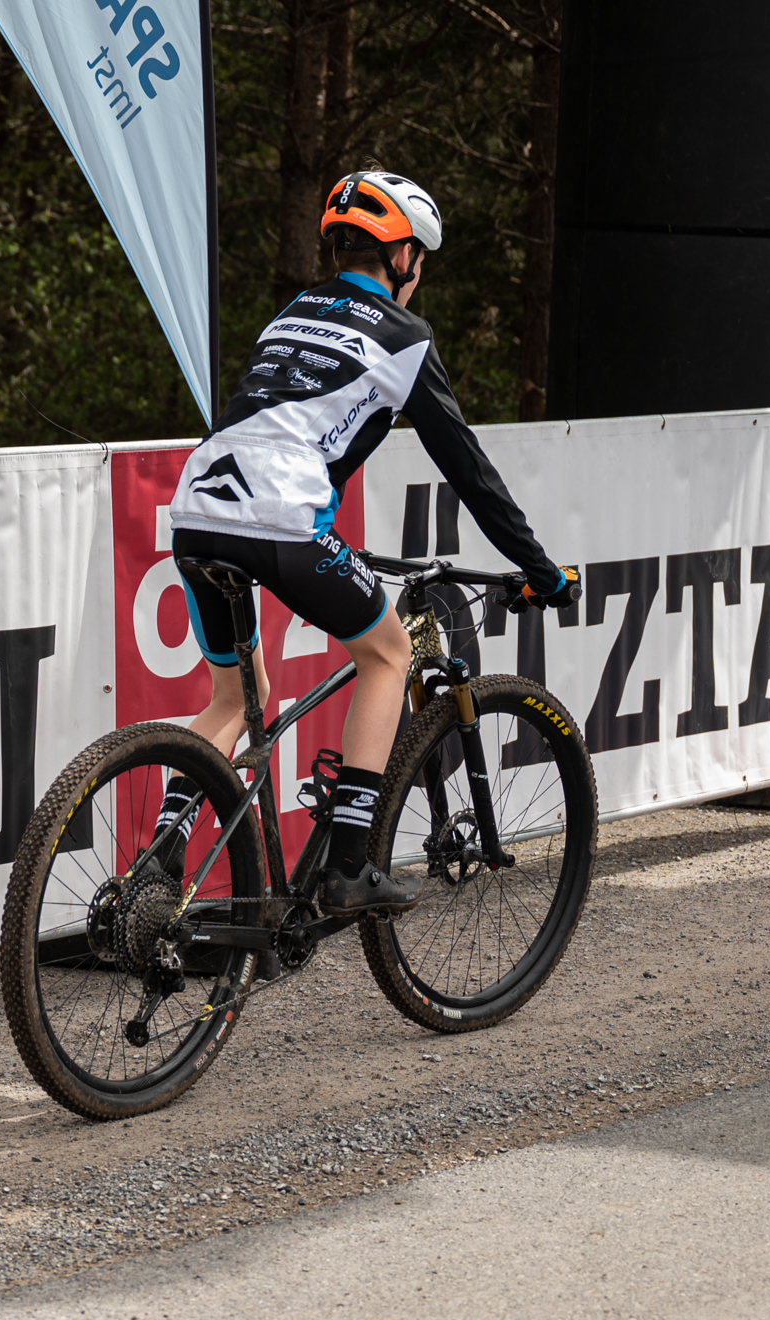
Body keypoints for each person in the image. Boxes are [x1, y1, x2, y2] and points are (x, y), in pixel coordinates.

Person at [162, 168, 579, 915]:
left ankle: (158, 869)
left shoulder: (292, 313)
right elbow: (471, 473)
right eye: (421, 259)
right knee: (388, 653)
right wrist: (540, 570)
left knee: (236, 695)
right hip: (283, 519)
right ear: (403, 256)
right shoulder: (405, 337)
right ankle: (349, 865)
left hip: (195, 510)